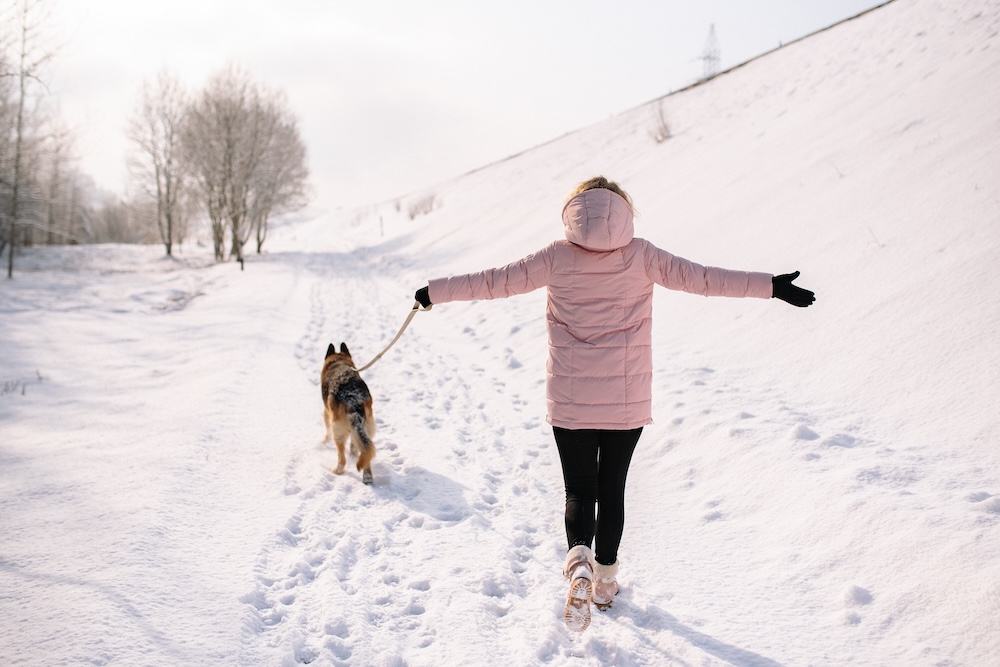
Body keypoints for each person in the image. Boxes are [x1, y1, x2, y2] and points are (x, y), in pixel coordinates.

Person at [413, 176, 814, 632]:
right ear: (624, 211)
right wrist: (770, 286)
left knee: (579, 490)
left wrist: (433, 293)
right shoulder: (643, 255)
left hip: (570, 399)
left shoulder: (554, 256)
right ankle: (604, 583)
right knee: (613, 489)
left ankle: (578, 559)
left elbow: (492, 282)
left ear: (575, 211)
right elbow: (705, 279)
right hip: (625, 401)